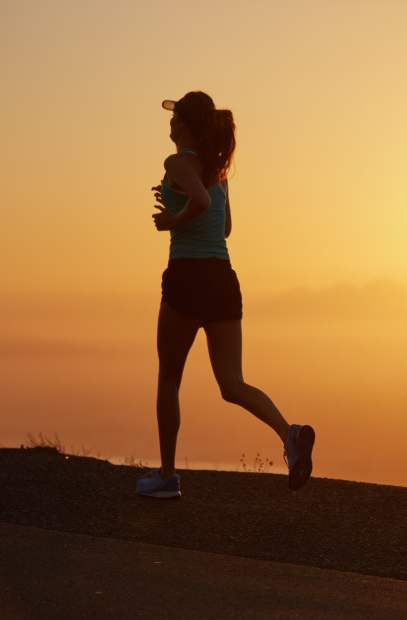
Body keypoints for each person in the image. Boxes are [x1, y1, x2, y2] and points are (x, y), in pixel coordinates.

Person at [136, 91, 315, 498]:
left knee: (169, 379)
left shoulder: (178, 162)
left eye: (174, 115)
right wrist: (176, 203)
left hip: (187, 276)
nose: (169, 121)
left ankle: (166, 477)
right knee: (232, 383)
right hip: (222, 278)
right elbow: (224, 226)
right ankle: (290, 433)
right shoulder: (218, 172)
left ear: (184, 124)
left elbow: (196, 202)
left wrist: (173, 220)